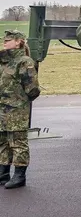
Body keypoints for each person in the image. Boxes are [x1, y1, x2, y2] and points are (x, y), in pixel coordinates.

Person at [0, 29, 40, 189]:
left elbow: (33, 89)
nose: (5, 41)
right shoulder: (3, 61)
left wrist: (20, 101)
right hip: (2, 108)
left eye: (9, 39)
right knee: (2, 141)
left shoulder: (24, 62)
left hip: (17, 108)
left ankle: (19, 175)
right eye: (4, 39)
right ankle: (3, 173)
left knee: (18, 142)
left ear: (18, 42)